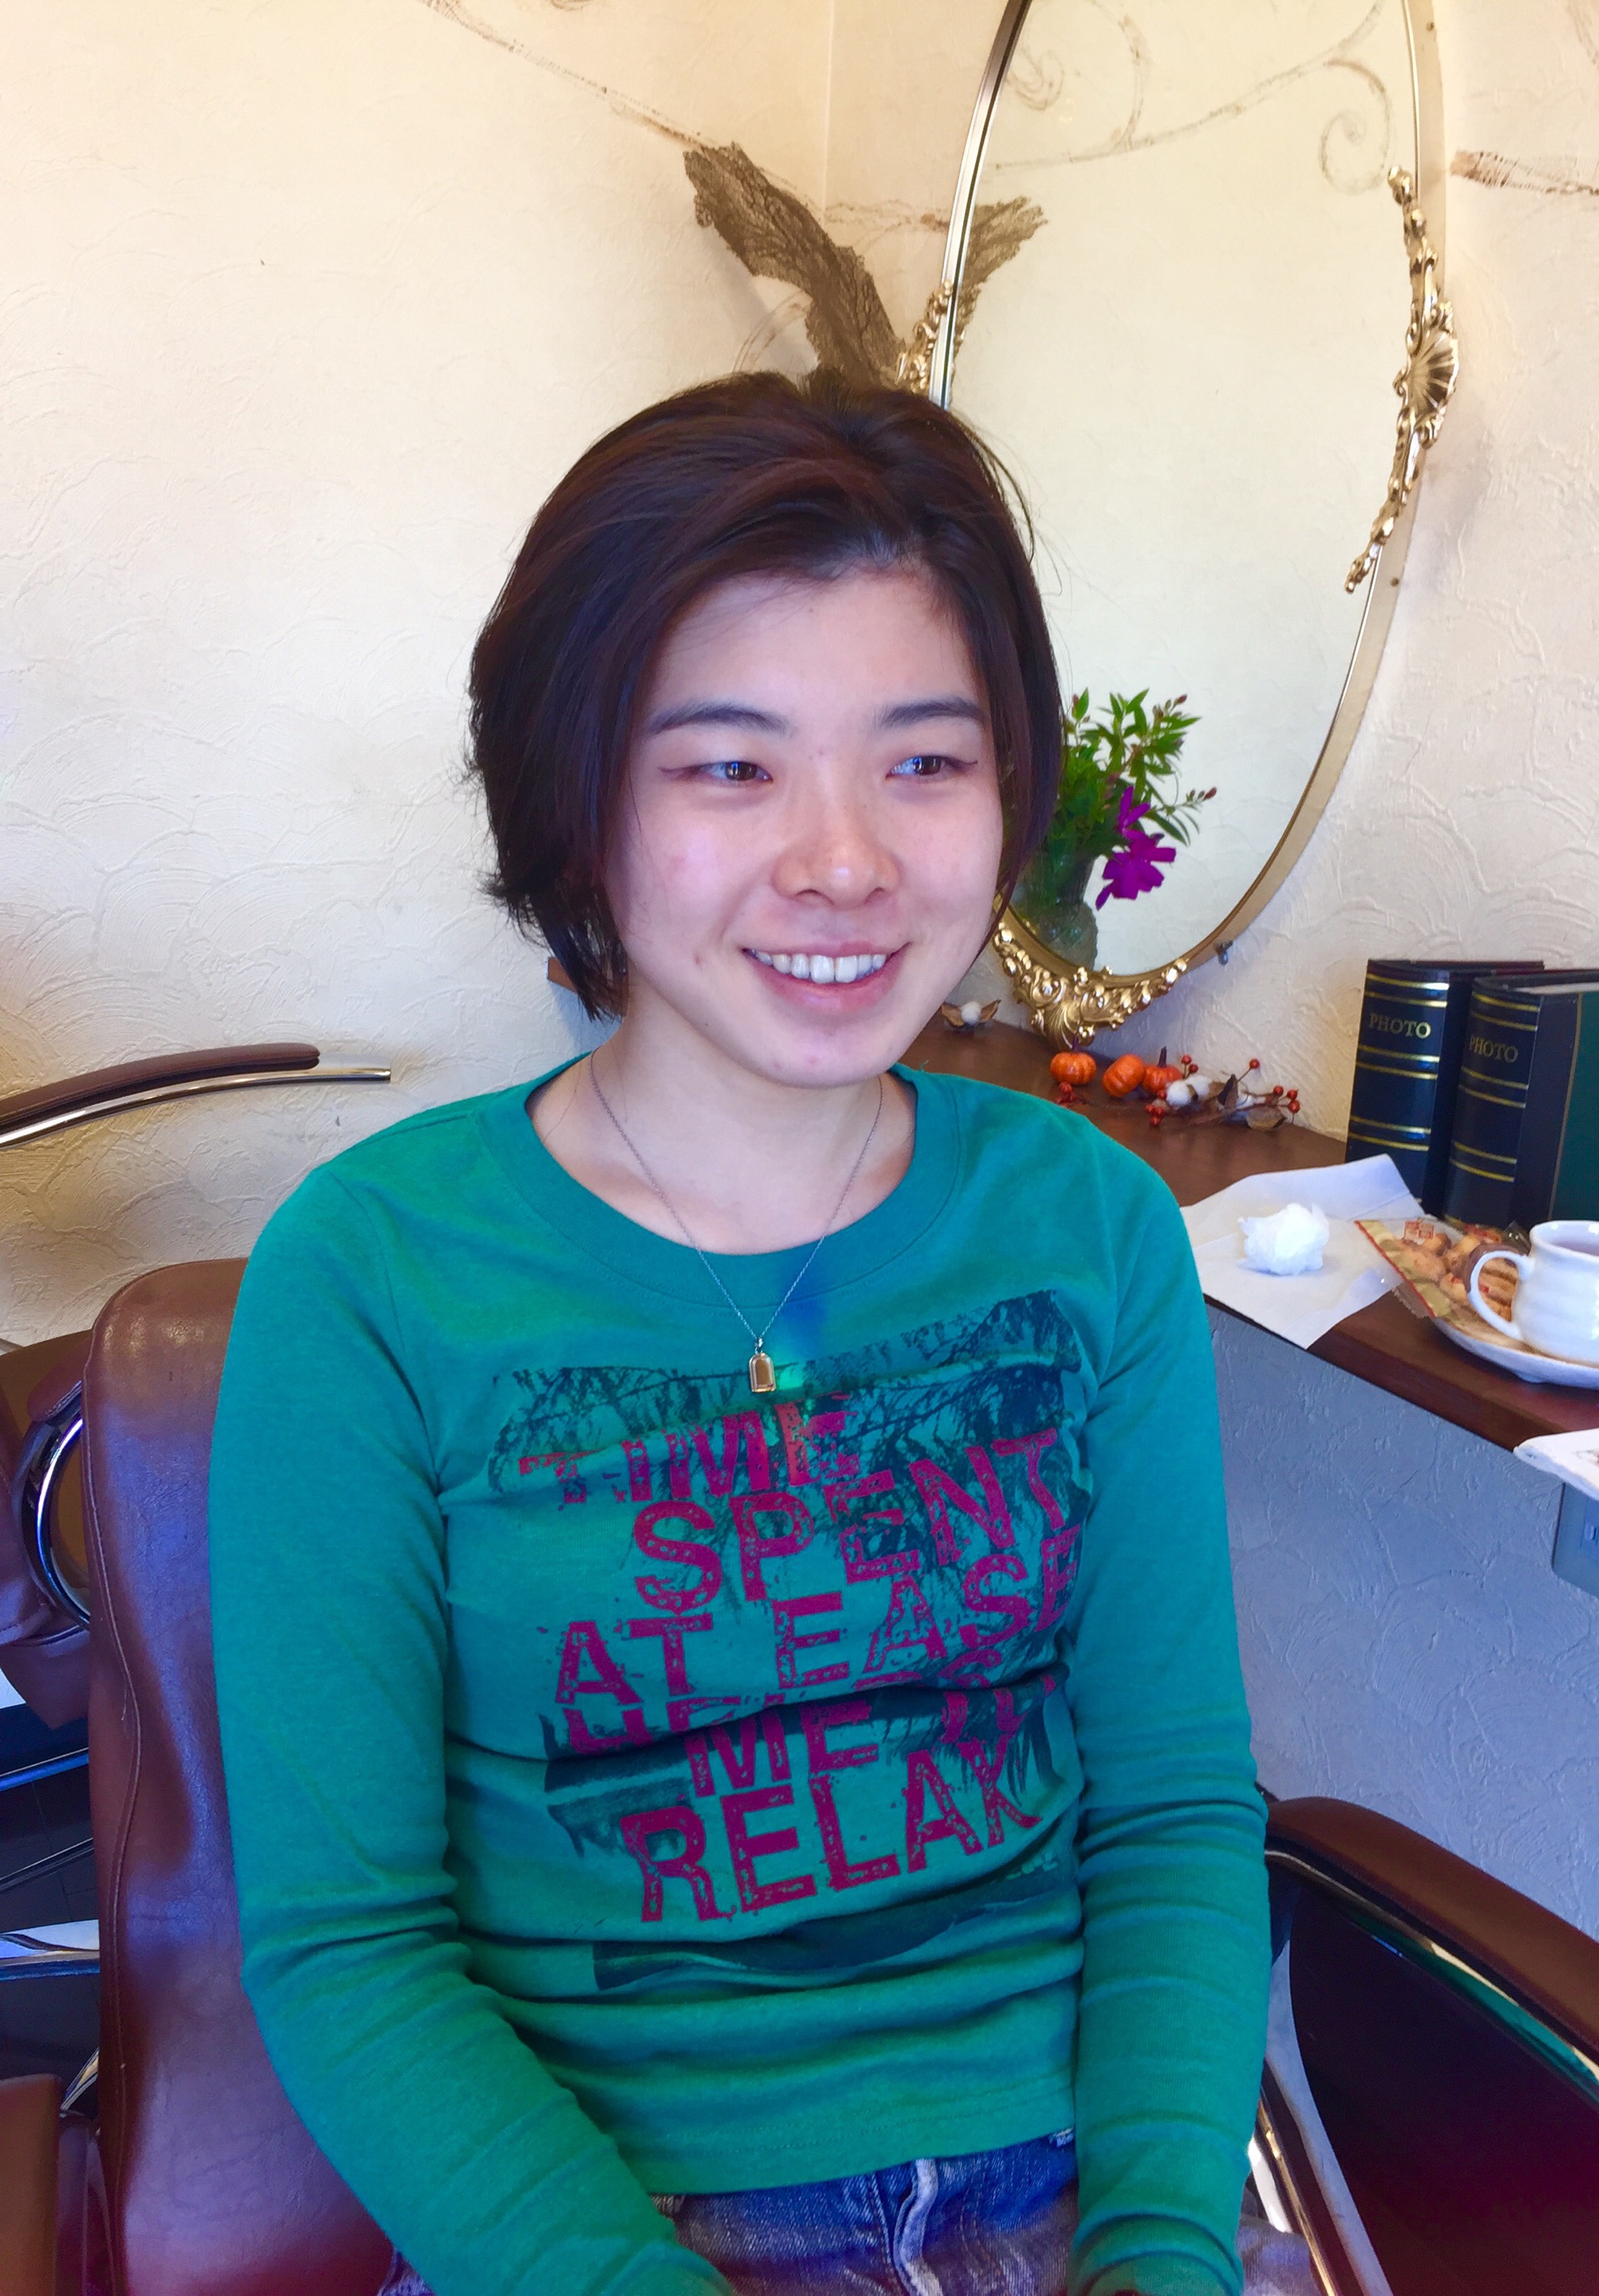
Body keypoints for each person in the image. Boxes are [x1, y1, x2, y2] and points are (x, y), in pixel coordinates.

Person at [208, 370, 1269, 2296]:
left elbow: (1176, 1812)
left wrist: (1163, 2255)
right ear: (579, 805)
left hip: (1080, 2187)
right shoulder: (368, 1276)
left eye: (925, 762)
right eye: (728, 767)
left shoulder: (1093, 1228)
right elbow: (353, 1952)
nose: (846, 861)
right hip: (606, 2228)